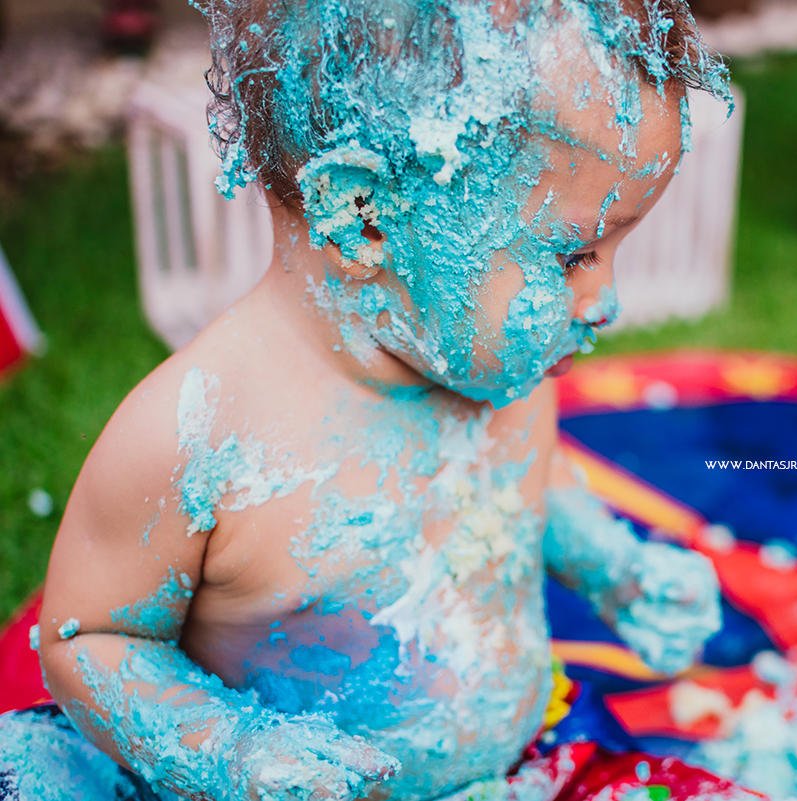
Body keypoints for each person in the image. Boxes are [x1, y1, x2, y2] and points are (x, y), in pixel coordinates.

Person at [0, 2, 753, 799]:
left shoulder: (504, 373)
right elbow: (93, 640)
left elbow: (523, 483)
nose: (606, 302)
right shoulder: (197, 437)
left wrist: (615, 566)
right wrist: (236, 751)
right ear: (362, 216)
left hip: (525, 762)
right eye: (574, 255)